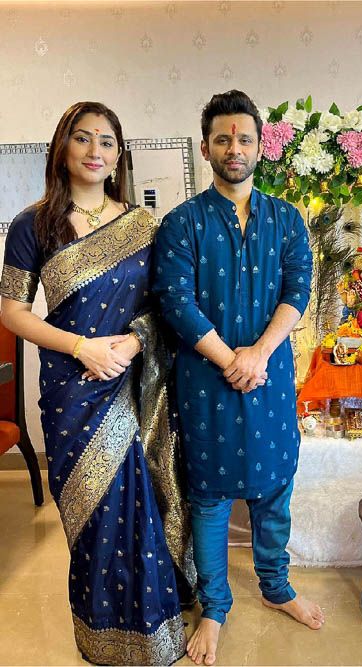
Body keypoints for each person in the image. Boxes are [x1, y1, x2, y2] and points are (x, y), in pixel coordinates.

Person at [0, 102, 192, 665]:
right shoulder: (31, 225)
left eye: (106, 142)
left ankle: (154, 632)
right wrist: (80, 346)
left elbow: (164, 305)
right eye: (82, 139)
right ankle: (102, 636)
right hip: (70, 390)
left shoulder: (143, 225)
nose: (94, 151)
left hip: (132, 387)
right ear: (62, 147)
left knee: (143, 505)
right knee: (93, 518)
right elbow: (11, 311)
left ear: (119, 155)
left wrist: (132, 344)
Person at [152, 90, 322, 666]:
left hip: (270, 382)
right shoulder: (182, 224)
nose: (234, 148)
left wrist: (260, 354)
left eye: (244, 138)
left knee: (275, 491)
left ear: (260, 146)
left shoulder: (287, 219)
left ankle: (276, 587)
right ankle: (215, 606)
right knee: (210, 499)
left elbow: (298, 289)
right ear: (206, 148)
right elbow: (176, 302)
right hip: (208, 387)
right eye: (222, 138)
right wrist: (231, 359)